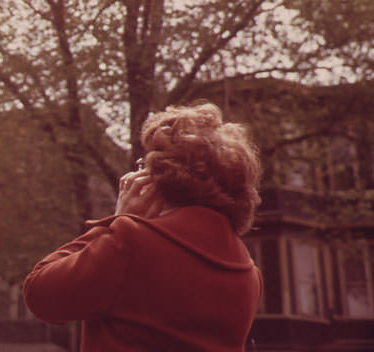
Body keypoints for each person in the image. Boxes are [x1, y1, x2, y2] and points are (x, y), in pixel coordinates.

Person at [23, 102, 262, 352]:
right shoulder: (248, 273)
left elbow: (39, 293)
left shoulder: (132, 242)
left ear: (158, 177)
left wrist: (117, 221)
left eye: (144, 165)